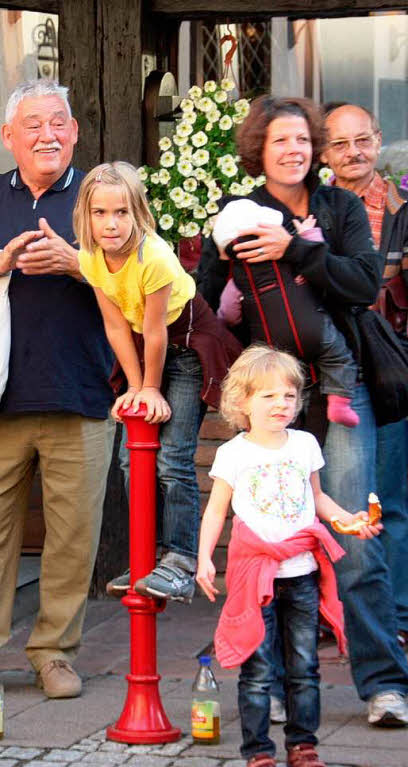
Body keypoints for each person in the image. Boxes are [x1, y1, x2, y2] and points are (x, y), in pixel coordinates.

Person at [198, 96, 408, 727]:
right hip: (272, 404)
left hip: (343, 391)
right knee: (264, 540)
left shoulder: (338, 207)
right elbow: (205, 301)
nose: (294, 150)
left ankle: (383, 684)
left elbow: (363, 284)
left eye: (302, 141)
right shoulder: (235, 217)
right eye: (280, 141)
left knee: (353, 534)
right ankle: (274, 681)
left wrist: (292, 248)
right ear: (259, 152)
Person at [0, 79, 116, 704]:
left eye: (59, 122)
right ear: (8, 137)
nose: (49, 134)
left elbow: (150, 285)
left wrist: (77, 264)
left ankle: (54, 653)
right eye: (33, 124)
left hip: (82, 392)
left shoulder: (102, 196)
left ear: (74, 131)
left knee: (72, 537)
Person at [196, 346, 381, 767]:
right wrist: (205, 558)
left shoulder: (304, 445)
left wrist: (348, 520)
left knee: (304, 668)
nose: (282, 404)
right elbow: (215, 511)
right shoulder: (233, 454)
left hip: (301, 574)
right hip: (253, 576)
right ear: (242, 402)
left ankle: (302, 745)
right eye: (268, 396)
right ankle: (258, 751)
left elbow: (318, 499)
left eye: (289, 396)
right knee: (258, 670)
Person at [75, 162, 241, 604]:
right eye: (100, 213)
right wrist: (134, 385)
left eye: (122, 212)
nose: (111, 223)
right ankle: (144, 556)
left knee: (172, 458)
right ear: (86, 216)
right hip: (144, 347)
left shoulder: (155, 258)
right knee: (133, 462)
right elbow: (115, 327)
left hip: (186, 345)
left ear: (139, 213)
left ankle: (181, 560)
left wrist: (150, 387)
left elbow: (156, 331)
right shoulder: (90, 258)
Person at [322, 102, 408, 651]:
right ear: (323, 152)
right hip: (328, 369)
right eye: (340, 144)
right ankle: (335, 616)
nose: (354, 153)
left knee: (391, 497)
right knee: (331, 497)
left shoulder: (403, 210)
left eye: (363, 140)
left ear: (378, 141)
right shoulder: (308, 210)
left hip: (390, 368)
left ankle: (394, 614)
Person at [210, 197, 360, 428]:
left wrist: (229, 320)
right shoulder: (287, 254)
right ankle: (339, 402)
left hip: (274, 343)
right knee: (339, 358)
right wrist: (309, 234)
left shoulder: (238, 278)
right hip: (316, 330)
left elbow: (229, 313)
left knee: (281, 383)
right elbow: (317, 258)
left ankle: (287, 424)